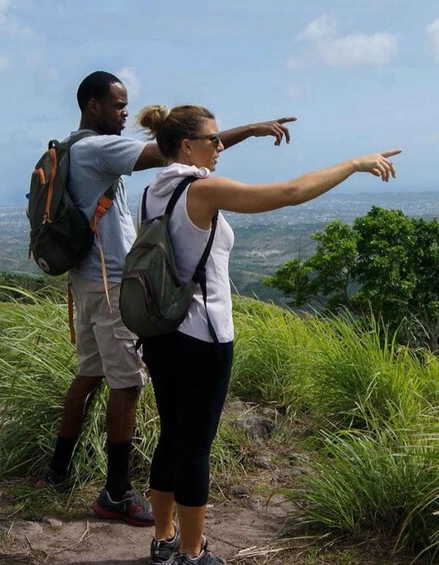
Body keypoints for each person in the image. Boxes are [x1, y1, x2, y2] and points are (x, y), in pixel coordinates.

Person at [135, 103, 400, 564]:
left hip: (161, 332)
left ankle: (164, 539)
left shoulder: (151, 192)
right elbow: (291, 192)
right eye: (213, 139)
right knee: (196, 447)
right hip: (203, 337)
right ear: (186, 146)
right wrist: (354, 163)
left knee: (172, 436)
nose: (220, 146)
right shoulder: (202, 190)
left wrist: (253, 131)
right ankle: (193, 553)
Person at [37, 71, 299, 529]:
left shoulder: (71, 149)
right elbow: (174, 149)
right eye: (117, 106)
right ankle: (116, 492)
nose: (124, 113)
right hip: (114, 282)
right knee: (127, 384)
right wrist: (248, 132)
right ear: (92, 106)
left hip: (85, 281)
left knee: (90, 373)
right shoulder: (99, 148)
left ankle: (56, 471)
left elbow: (183, 149)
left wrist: (220, 137)